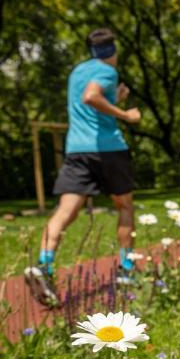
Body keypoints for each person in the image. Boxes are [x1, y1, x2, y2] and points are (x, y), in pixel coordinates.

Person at [25, 28, 141, 307]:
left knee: (65, 212)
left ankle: (44, 266)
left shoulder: (77, 72)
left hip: (77, 149)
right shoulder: (107, 70)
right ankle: (126, 270)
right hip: (108, 149)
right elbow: (91, 97)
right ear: (114, 50)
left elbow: (88, 103)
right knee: (124, 206)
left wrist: (115, 100)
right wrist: (125, 114)